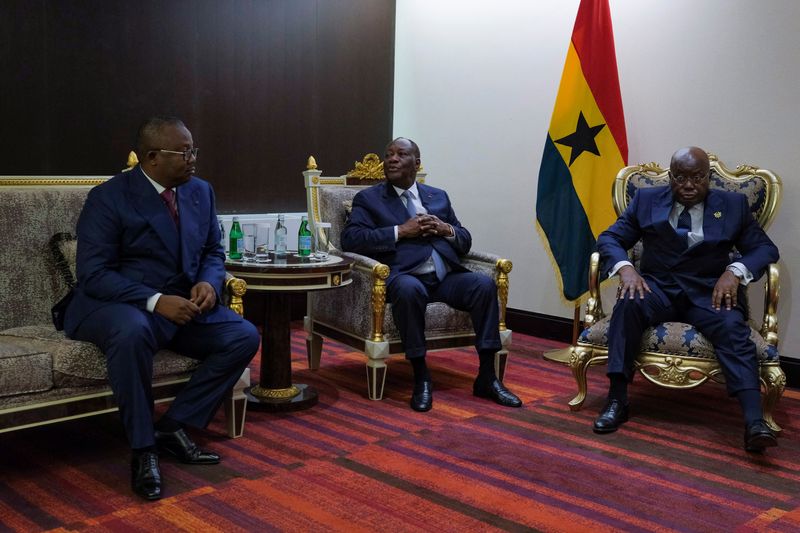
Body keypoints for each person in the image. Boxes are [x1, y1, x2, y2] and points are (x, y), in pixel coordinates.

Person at [59, 117, 260, 500]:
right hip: (118, 304)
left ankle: (173, 425)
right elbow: (93, 274)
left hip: (182, 304)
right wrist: (154, 301)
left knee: (242, 335)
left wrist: (208, 281)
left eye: (193, 150)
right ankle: (143, 449)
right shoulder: (109, 197)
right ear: (152, 158)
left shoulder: (200, 191)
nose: (193, 159)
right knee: (132, 332)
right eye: (183, 152)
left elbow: (213, 251)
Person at [593, 146, 779, 452]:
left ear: (708, 176)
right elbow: (610, 238)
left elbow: (764, 249)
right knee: (627, 305)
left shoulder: (733, 205)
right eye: (680, 177)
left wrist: (734, 271)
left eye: (697, 177)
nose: (689, 185)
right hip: (658, 288)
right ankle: (617, 400)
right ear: (671, 175)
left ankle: (754, 421)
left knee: (733, 327)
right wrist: (626, 269)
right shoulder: (646, 199)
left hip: (709, 291)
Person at [341, 137, 521, 412]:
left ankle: (487, 376)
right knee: (409, 290)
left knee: (483, 285)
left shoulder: (438, 196)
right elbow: (351, 239)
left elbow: (464, 239)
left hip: (445, 277)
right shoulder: (369, 198)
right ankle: (421, 376)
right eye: (388, 154)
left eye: (401, 154)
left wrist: (445, 229)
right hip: (405, 275)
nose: (392, 159)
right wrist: (401, 231)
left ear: (417, 163)